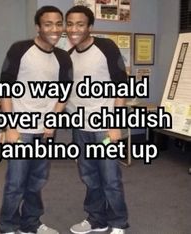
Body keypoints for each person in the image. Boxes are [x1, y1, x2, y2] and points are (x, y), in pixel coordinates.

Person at [0, 6, 72, 234]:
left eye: (59, 23)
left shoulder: (63, 57)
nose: (55, 29)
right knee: (15, 183)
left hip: (46, 131)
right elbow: (5, 89)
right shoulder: (19, 49)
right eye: (48, 24)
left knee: (37, 181)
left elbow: (64, 92)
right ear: (38, 27)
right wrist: (10, 126)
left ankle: (30, 223)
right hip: (21, 130)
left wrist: (53, 120)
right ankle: (7, 226)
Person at [65, 5, 129, 234]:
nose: (74, 29)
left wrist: (116, 124)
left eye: (80, 24)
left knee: (110, 177)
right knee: (89, 176)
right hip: (80, 128)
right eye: (70, 24)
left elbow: (123, 84)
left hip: (104, 129)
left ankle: (118, 223)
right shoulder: (69, 55)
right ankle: (97, 220)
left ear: (90, 26)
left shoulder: (106, 47)